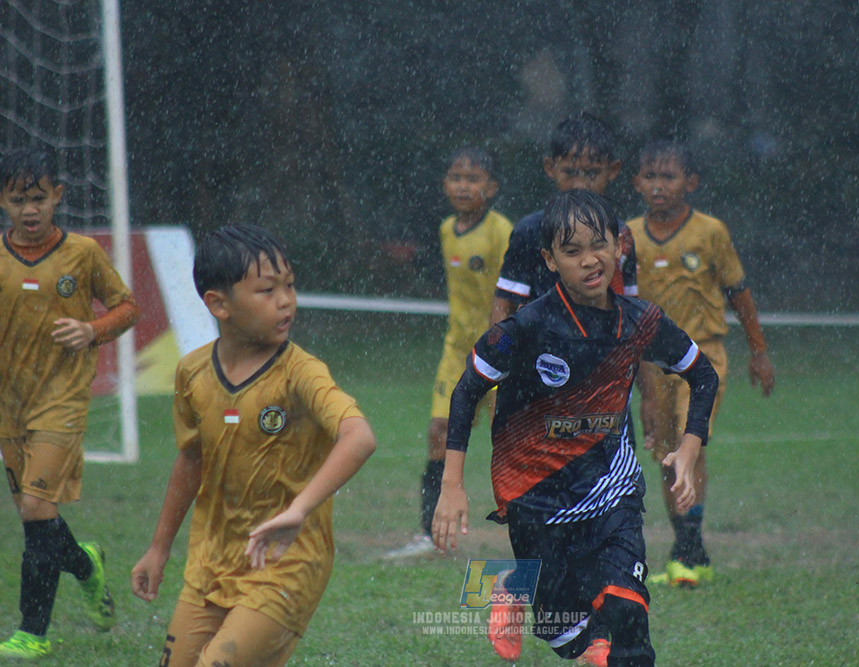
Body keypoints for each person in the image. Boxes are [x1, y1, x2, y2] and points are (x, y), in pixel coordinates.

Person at [433, 190, 719, 666]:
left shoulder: (640, 322)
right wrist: (451, 485)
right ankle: (514, 583)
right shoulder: (525, 329)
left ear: (619, 247)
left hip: (611, 491)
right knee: (570, 639)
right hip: (536, 498)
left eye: (599, 245)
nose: (590, 260)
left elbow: (703, 374)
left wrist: (688, 449)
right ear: (549, 260)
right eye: (572, 251)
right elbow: (466, 391)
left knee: (626, 614)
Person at [130, 225, 376, 667]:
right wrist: (159, 548)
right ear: (218, 304)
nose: (286, 301)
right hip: (211, 563)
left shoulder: (301, 372)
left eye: (290, 286)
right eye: (267, 290)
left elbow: (359, 437)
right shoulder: (192, 373)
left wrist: (298, 510)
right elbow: (191, 459)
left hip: (287, 562)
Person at [0, 149, 140, 659]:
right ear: (3, 202)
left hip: (61, 399)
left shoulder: (82, 254)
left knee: (38, 507)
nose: (30, 209)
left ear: (57, 196)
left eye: (38, 198)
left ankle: (32, 634)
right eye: (19, 200)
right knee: (35, 518)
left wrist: (91, 330)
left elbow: (128, 307)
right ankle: (85, 564)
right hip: (10, 404)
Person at [626, 140, 775, 588]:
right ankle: (692, 551)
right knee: (666, 454)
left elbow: (739, 292)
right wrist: (640, 386)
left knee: (691, 443)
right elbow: (626, 311)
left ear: (690, 182)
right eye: (650, 176)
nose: (658, 185)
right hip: (653, 363)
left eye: (668, 176)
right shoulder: (627, 236)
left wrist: (759, 351)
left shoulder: (710, 232)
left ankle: (686, 550)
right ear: (635, 182)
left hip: (702, 356)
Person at [384, 147, 512, 558]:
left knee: (509, 440)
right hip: (457, 351)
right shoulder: (445, 230)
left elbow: (513, 293)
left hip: (501, 353)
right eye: (456, 178)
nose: (463, 186)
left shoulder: (501, 232)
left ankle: (531, 528)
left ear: (491, 187)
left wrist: (505, 344)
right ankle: (430, 533)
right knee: (439, 431)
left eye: (473, 179)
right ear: (444, 185)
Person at [491, 111, 637, 327]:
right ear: (551, 168)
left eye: (591, 173)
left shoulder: (621, 234)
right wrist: (498, 347)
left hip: (600, 344)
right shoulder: (531, 231)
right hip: (541, 344)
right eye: (570, 172)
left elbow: (631, 309)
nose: (580, 184)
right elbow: (504, 306)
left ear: (613, 170)